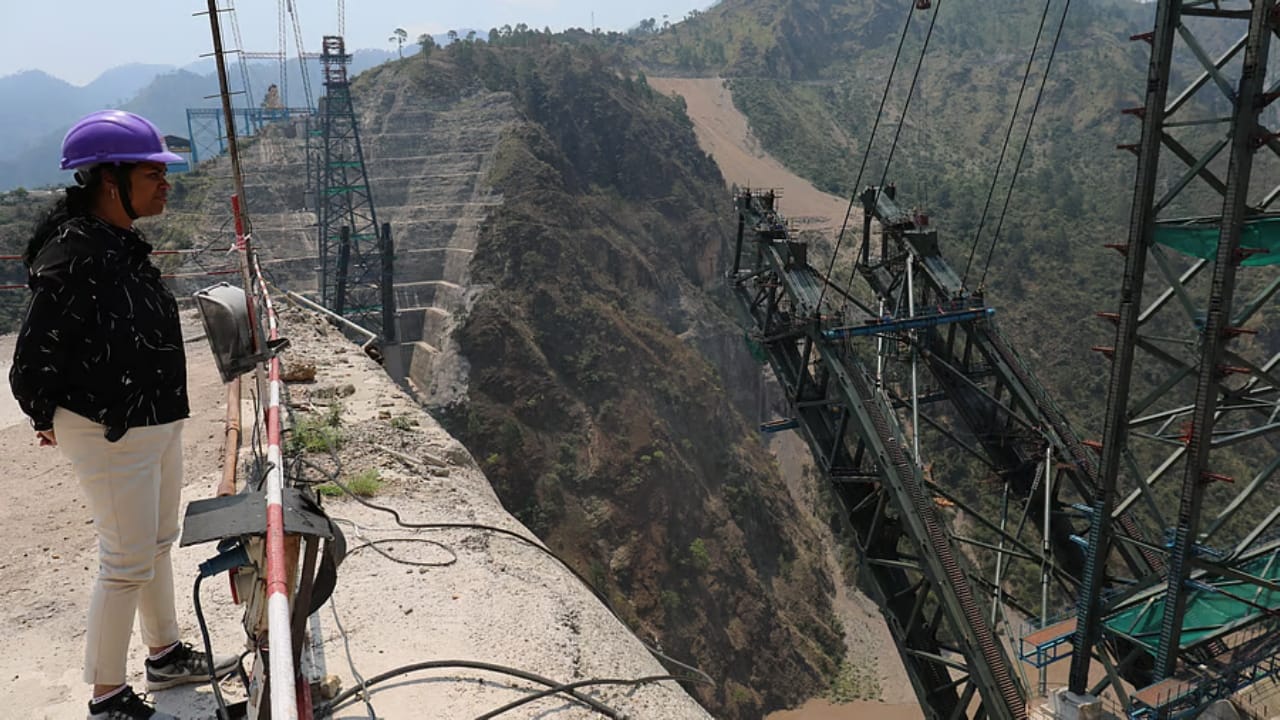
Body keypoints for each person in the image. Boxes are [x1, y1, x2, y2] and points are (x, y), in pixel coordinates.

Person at [9, 110, 236, 720]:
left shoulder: (115, 242)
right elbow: (35, 353)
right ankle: (107, 697)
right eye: (152, 173)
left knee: (157, 543)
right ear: (111, 180)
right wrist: (42, 411)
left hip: (152, 420)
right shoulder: (75, 253)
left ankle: (164, 656)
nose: (166, 184)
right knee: (126, 558)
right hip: (113, 429)